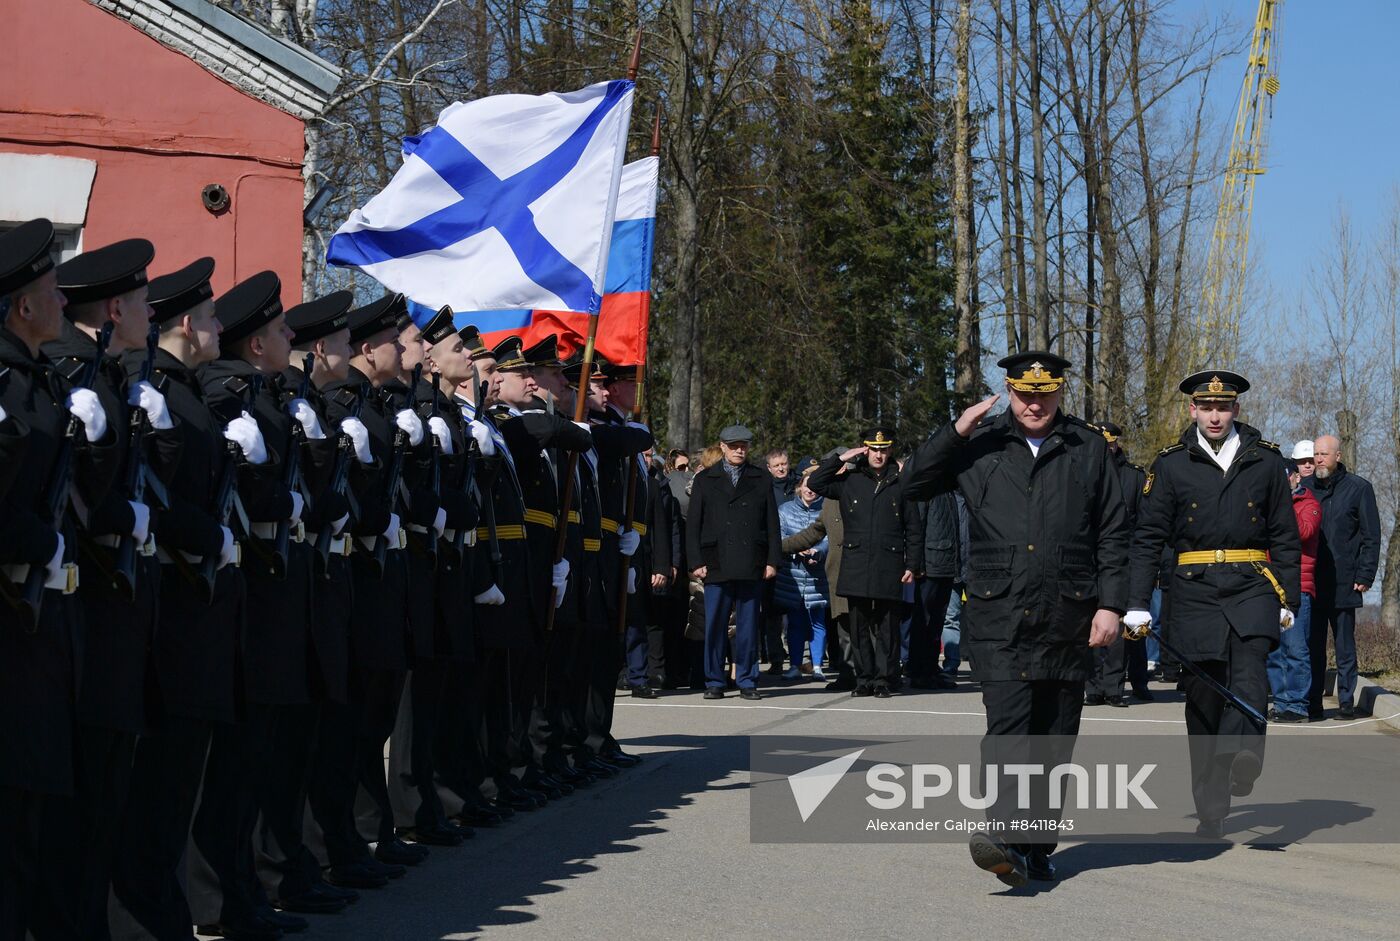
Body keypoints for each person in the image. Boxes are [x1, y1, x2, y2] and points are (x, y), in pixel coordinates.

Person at [903, 351, 1128, 886]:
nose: (1034, 403)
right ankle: (1002, 836)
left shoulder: (1088, 447)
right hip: (999, 610)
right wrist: (955, 431)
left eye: (1044, 393)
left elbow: (1115, 531)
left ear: (1059, 392)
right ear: (1007, 391)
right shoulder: (980, 444)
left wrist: (1111, 604)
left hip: (1069, 612)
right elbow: (911, 483)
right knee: (1007, 731)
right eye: (1024, 394)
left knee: (1053, 735)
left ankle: (1036, 845)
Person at [0, 219, 119, 939]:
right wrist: (42, 539)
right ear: (22, 307)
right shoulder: (11, 387)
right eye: (49, 288)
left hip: (43, 632)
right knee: (13, 826)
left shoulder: (36, 380)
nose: (61, 301)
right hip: (14, 632)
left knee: (35, 818)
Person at [1127, 370, 1301, 839]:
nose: (1215, 416)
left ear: (1237, 411)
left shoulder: (1265, 462)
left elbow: (1285, 534)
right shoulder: (1170, 465)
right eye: (1206, 408)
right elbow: (1147, 538)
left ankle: (1243, 759)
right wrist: (1137, 602)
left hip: (1251, 583)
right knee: (1203, 697)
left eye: (1223, 408)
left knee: (1249, 672)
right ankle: (1210, 808)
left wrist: (1288, 598)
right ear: (1193, 411)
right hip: (1193, 588)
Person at [808, 427, 921, 697]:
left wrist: (912, 565)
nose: (878, 455)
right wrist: (841, 459)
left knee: (887, 627)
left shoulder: (901, 480)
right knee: (857, 626)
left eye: (883, 450)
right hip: (856, 561)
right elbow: (815, 483)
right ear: (865, 449)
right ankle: (864, 678)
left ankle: (884, 679)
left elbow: (914, 528)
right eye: (873, 449)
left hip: (889, 561)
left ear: (890, 450)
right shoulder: (850, 479)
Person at [687, 424, 780, 700]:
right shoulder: (706, 480)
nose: (740, 450)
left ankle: (748, 680)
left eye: (744, 446)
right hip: (716, 560)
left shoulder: (761, 478)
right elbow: (694, 525)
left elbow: (771, 524)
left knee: (749, 626)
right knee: (715, 624)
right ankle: (714, 680)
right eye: (734, 445)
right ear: (723, 447)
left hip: (751, 559)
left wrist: (772, 560)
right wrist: (696, 561)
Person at [1303, 434, 1380, 720]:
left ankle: (1346, 702)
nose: (1318, 459)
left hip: (1345, 581)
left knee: (1345, 646)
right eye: (1315, 454)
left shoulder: (1359, 489)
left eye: (1324, 454)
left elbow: (1372, 536)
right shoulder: (1305, 488)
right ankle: (1313, 702)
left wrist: (1366, 574)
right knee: (1312, 646)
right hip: (1311, 580)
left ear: (1338, 456)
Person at [1085, 421, 1147, 707]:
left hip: (1124, 559)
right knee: (1090, 625)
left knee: (1118, 630)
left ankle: (1113, 687)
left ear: (1117, 443)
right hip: (1088, 560)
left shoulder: (1133, 477)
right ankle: (1093, 687)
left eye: (1110, 443)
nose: (1107, 448)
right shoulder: (1084, 471)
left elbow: (1143, 524)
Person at [1267, 459, 1320, 723]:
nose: (1282, 482)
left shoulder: (1309, 504)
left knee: (1296, 648)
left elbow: (1303, 533)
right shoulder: (1271, 506)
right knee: (1275, 650)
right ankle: (1281, 701)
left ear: (1297, 478)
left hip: (1299, 586)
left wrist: (1280, 507)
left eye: (1285, 477)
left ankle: (1298, 705)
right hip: (1270, 586)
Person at [774, 466, 829, 680]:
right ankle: (795, 665)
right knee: (795, 622)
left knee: (818, 621)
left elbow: (828, 539)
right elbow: (779, 537)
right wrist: (798, 549)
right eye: (807, 485)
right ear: (800, 486)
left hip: (817, 575)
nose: (810, 490)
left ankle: (817, 666)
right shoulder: (785, 510)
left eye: (815, 486)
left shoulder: (825, 509)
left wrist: (817, 551)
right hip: (792, 576)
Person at [907, 489, 961, 690]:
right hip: (929, 565)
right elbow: (917, 527)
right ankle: (918, 670)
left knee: (937, 621)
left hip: (946, 564)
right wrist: (916, 564)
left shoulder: (950, 492)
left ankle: (930, 668)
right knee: (924, 620)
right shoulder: (927, 490)